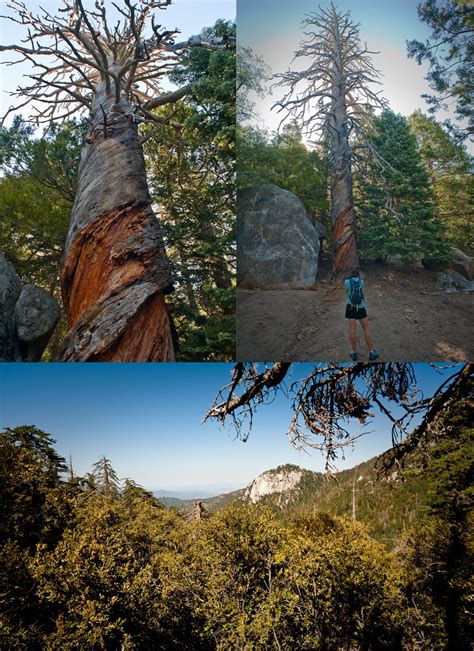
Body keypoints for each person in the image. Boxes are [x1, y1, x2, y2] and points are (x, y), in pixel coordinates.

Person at [344, 267, 379, 362]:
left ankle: (354, 352)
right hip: (361, 307)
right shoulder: (361, 281)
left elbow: (347, 292)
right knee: (366, 329)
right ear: (358, 273)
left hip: (350, 307)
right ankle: (371, 352)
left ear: (350, 273)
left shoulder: (346, 282)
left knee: (352, 330)